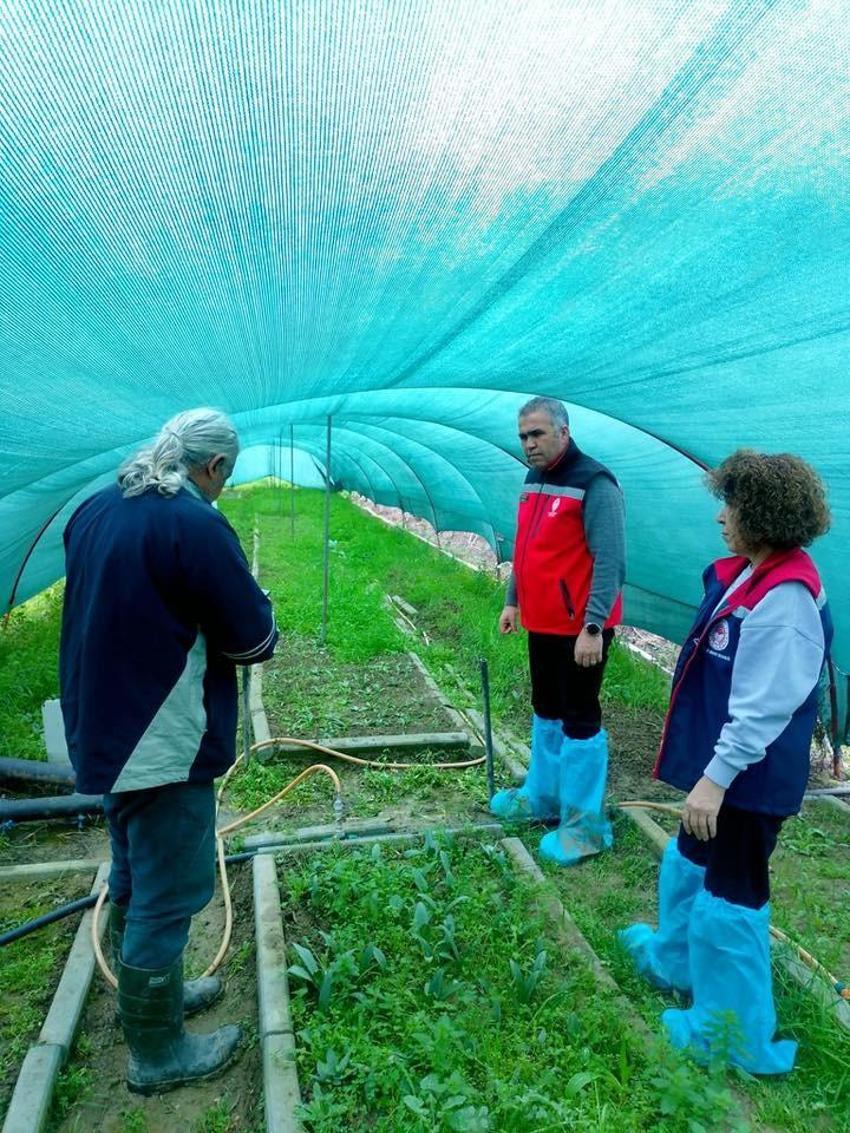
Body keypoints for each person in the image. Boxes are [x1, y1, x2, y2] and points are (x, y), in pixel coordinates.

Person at [60, 408, 278, 1095]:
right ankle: (157, 1053)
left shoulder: (97, 506)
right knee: (169, 890)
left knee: (133, 872)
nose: (223, 486)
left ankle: (151, 998)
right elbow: (251, 639)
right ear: (213, 466)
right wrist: (262, 609)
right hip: (162, 737)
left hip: (106, 728)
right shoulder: (193, 523)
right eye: (226, 476)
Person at [620, 450, 832, 1075]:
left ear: (761, 516)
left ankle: (729, 1035)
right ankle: (677, 962)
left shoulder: (786, 600)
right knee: (690, 859)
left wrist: (714, 780)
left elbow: (765, 709)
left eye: (732, 506)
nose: (721, 517)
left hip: (748, 779)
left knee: (731, 894)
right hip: (724, 769)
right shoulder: (750, 574)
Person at [490, 396, 626, 865]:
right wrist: (513, 601)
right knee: (545, 708)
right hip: (543, 622)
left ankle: (585, 825)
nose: (529, 444)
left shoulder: (595, 483)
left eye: (537, 434)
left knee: (579, 717)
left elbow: (610, 560)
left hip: (579, 629)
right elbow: (526, 549)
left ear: (564, 432)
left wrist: (594, 625)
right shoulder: (535, 479)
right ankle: (543, 798)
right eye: (523, 436)